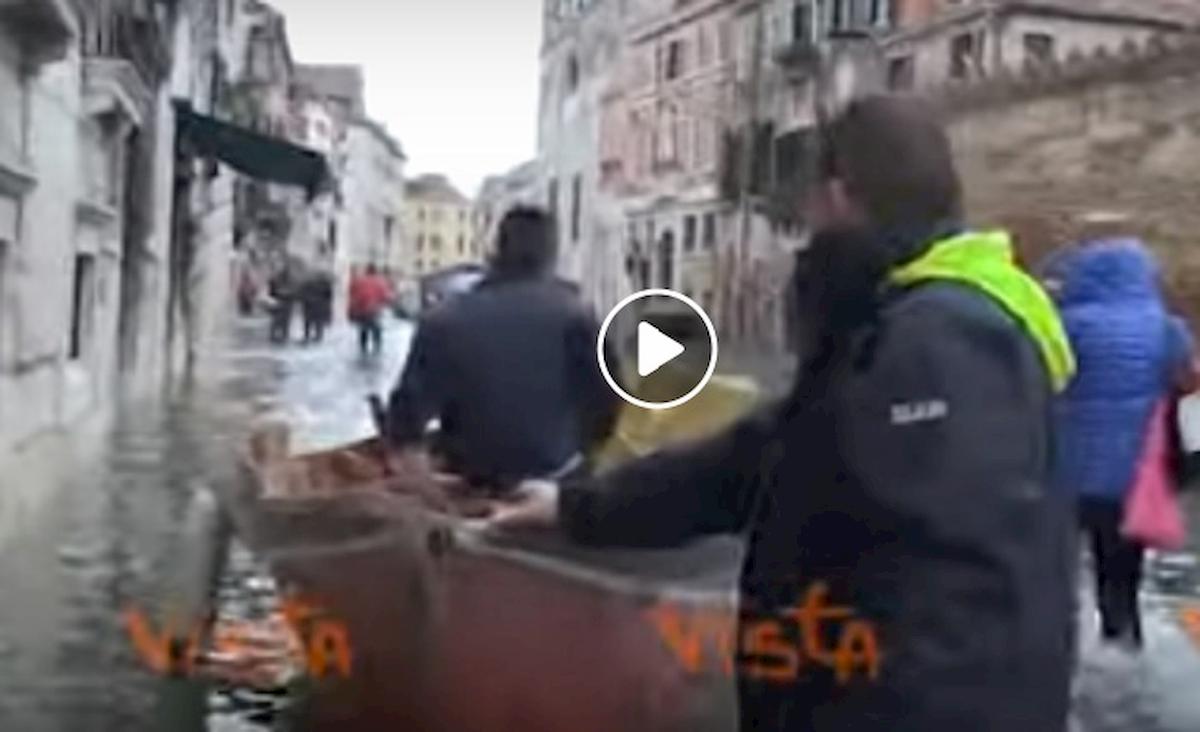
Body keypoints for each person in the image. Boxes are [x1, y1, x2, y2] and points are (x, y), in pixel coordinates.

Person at [489, 95, 1079, 732]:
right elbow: (761, 458)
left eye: (807, 206)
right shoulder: (943, 322)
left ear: (837, 195)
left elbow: (936, 584)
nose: (803, 225)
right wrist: (574, 506)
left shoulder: (928, 341)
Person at [385, 206, 622, 492]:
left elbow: (406, 420)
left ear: (496, 250)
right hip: (556, 481)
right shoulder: (579, 315)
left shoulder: (443, 318)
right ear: (551, 256)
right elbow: (610, 405)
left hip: (467, 483)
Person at [1046, 237, 1194, 650]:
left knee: (1055, 577)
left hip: (1065, 477)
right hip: (1132, 481)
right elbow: (1187, 386)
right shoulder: (1166, 329)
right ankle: (1125, 651)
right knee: (1121, 578)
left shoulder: (1065, 324)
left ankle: (1060, 659)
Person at [348, 264, 391, 357]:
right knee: (376, 329)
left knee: (363, 329)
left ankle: (363, 347)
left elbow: (352, 293)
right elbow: (385, 296)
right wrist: (383, 303)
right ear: (376, 272)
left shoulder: (359, 281)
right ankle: (377, 347)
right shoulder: (380, 282)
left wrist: (353, 307)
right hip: (374, 309)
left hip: (361, 309)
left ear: (366, 271)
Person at [299, 269, 334, 344]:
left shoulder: (307, 283)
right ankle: (317, 336)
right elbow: (328, 295)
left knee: (309, 322)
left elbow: (302, 293)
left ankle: (308, 336)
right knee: (317, 322)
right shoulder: (325, 283)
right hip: (318, 305)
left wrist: (305, 300)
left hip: (310, 304)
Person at [267, 265, 296, 344]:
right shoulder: (278, 280)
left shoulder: (277, 279)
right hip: (282, 301)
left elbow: (271, 290)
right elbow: (272, 290)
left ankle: (280, 336)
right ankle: (280, 336)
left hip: (282, 301)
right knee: (280, 320)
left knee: (280, 320)